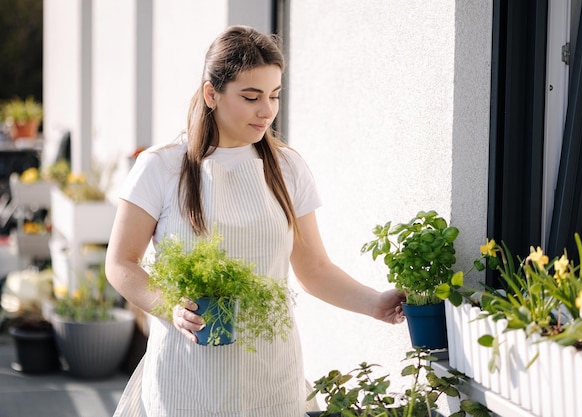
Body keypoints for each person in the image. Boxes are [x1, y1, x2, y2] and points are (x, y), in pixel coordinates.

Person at [105, 25, 405, 417]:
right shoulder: (161, 166)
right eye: (251, 97)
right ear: (212, 94)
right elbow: (121, 263)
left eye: (274, 96)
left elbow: (314, 268)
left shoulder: (287, 168)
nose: (267, 110)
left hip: (271, 376)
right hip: (186, 376)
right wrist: (169, 306)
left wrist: (375, 304)